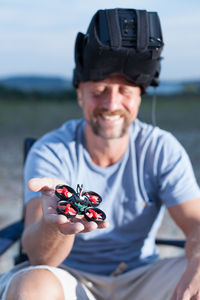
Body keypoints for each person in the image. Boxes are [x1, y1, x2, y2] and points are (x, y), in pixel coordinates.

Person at [1, 7, 200, 300]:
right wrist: (55, 226)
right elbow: (38, 256)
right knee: (30, 286)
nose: (111, 103)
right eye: (99, 91)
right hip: (71, 277)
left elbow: (195, 222)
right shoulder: (52, 151)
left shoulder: (161, 148)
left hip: (142, 276)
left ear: (140, 97)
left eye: (125, 91)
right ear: (80, 94)